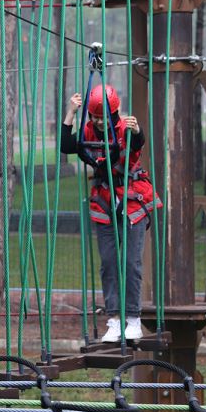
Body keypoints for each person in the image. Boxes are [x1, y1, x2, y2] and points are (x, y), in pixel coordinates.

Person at [60, 84, 160, 342]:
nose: (98, 122)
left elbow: (137, 142)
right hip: (105, 202)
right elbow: (67, 145)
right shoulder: (88, 131)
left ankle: (133, 319)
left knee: (130, 261)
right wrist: (71, 112)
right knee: (108, 263)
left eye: (103, 117)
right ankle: (114, 319)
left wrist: (137, 130)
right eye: (94, 117)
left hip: (132, 200)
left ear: (113, 114)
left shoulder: (123, 128)